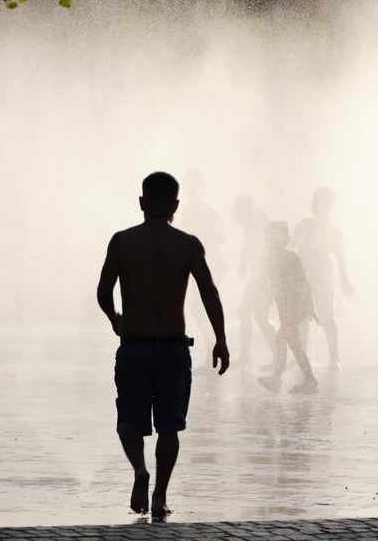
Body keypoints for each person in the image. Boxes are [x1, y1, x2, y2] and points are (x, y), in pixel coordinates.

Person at [97, 171, 229, 518]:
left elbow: (102, 290)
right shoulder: (187, 244)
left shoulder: (122, 241)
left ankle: (139, 470)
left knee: (128, 419)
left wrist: (114, 317)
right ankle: (160, 496)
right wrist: (221, 339)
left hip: (134, 345)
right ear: (175, 206)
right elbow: (209, 292)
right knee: (169, 426)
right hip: (172, 348)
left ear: (141, 203)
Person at [292, 187, 353, 369]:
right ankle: (303, 358)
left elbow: (341, 259)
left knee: (327, 317)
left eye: (327, 204)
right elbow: (290, 245)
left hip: (324, 277)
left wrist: (344, 281)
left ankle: (334, 359)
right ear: (315, 204)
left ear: (331, 207)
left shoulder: (335, 232)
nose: (323, 207)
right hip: (303, 277)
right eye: (320, 202)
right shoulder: (304, 225)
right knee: (302, 318)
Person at [258, 221, 319, 394]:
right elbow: (268, 282)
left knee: (284, 342)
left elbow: (303, 282)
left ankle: (280, 380)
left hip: (293, 307)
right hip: (286, 308)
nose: (271, 241)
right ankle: (307, 380)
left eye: (277, 237)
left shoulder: (290, 258)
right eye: (270, 237)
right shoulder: (272, 259)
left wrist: (310, 307)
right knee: (294, 345)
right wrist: (268, 292)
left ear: (285, 239)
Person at [177, 170, 227, 369]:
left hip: (212, 262)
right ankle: (211, 353)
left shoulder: (209, 210)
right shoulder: (188, 210)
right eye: (187, 186)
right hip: (197, 262)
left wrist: (204, 231)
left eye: (194, 186)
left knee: (200, 309)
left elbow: (222, 236)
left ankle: (211, 355)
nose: (190, 190)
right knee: (198, 310)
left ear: (202, 188)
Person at [231, 196, 276, 367]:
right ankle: (246, 357)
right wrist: (243, 264)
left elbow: (266, 251)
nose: (240, 224)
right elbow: (248, 247)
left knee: (259, 316)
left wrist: (266, 279)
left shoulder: (261, 226)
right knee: (247, 314)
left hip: (263, 276)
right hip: (258, 275)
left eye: (240, 219)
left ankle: (278, 356)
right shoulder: (253, 226)